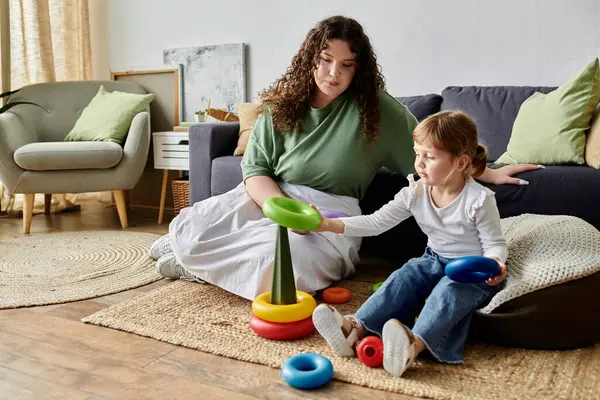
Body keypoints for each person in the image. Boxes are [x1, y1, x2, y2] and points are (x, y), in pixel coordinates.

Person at [148, 15, 538, 300]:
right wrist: (279, 209)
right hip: (269, 198)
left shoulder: (378, 111)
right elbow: (255, 170)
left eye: (346, 65)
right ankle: (197, 256)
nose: (333, 73)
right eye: (325, 60)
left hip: (330, 213)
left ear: (359, 68)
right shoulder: (282, 106)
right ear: (309, 59)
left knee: (280, 267)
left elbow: (436, 160)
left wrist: (489, 173)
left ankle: (195, 267)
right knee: (191, 226)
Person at [312, 110, 507, 377]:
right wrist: (329, 225)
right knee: (405, 276)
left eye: (430, 156)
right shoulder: (414, 192)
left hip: (471, 271)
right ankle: (353, 329)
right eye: (417, 154)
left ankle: (411, 348)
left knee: (448, 292)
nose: (420, 163)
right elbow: (376, 222)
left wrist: (495, 263)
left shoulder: (479, 200)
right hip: (433, 259)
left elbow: (495, 243)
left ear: (460, 163)